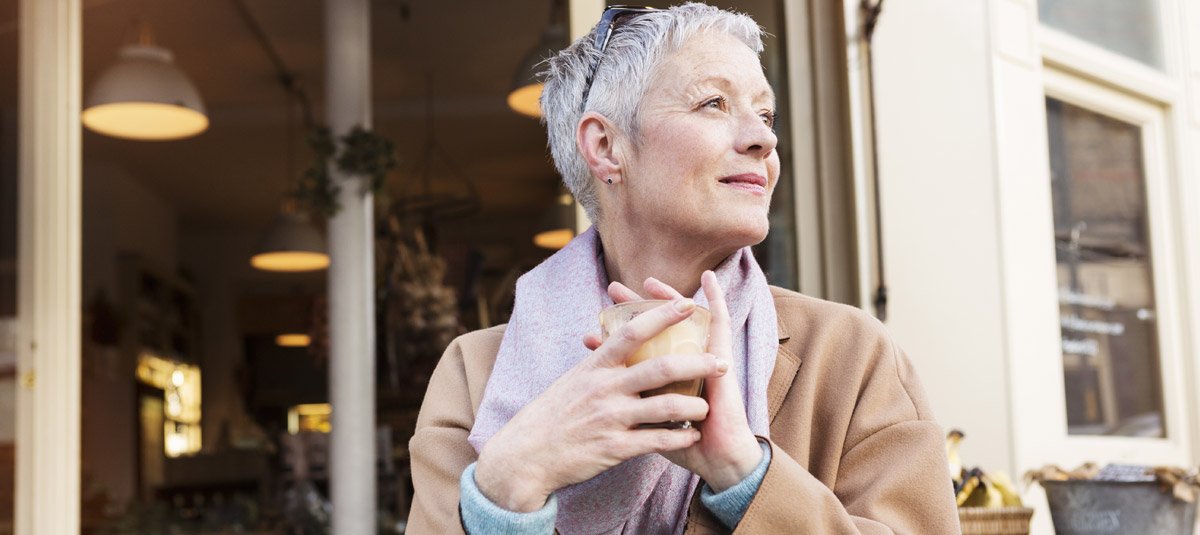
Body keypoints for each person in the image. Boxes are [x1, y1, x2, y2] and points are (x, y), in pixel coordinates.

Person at [407, 3, 960, 533]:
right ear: (605, 146)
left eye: (766, 114)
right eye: (714, 104)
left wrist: (746, 476)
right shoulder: (476, 375)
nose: (764, 138)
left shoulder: (850, 358)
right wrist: (507, 494)